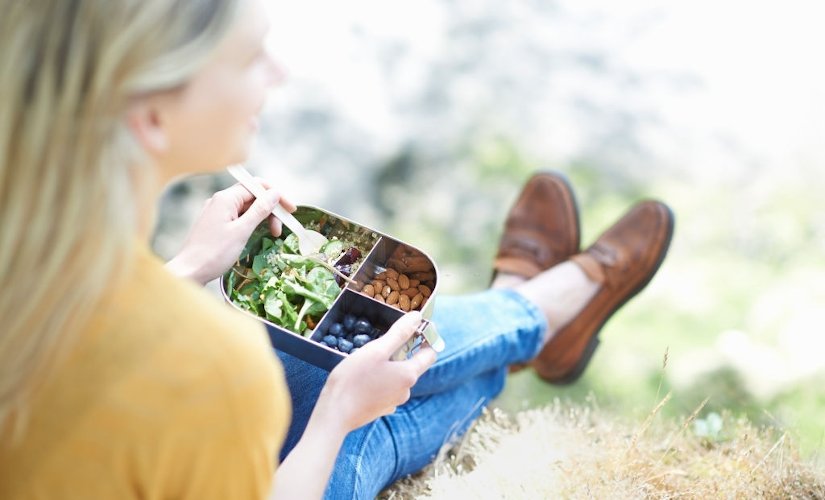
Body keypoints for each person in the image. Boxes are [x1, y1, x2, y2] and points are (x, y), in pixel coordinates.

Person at [0, 1, 673, 499]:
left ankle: (531, 311)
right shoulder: (213, 370)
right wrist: (332, 421)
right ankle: (539, 309)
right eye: (249, 57)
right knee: (356, 416)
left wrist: (185, 271)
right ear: (148, 115)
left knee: (331, 374)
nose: (281, 71)